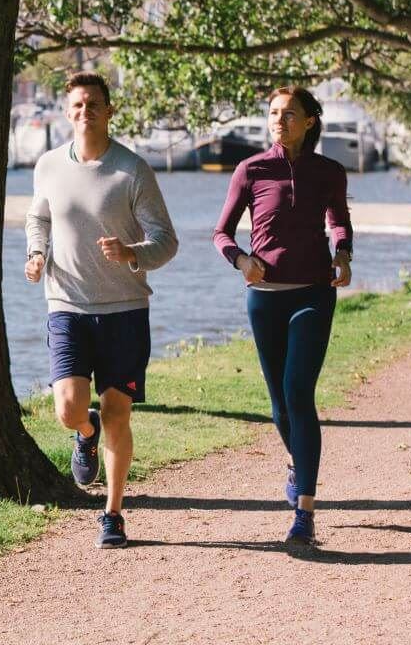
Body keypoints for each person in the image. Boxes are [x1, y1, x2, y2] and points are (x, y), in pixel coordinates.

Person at [25, 72, 179, 549]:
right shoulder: (48, 166)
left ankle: (112, 513)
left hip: (125, 308)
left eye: (94, 103)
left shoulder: (131, 170)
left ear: (109, 111)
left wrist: (132, 252)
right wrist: (36, 252)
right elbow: (39, 216)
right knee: (70, 408)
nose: (85, 111)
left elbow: (166, 242)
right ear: (67, 112)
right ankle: (84, 434)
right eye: (77, 104)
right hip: (66, 303)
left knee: (118, 413)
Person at [212, 86, 353, 545]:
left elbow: (338, 221)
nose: (280, 120)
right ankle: (299, 465)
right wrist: (240, 259)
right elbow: (221, 232)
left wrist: (343, 253)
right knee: (278, 407)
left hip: (313, 292)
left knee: (298, 393)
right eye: (274, 113)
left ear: (310, 120)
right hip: (265, 297)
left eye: (289, 113)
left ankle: (305, 512)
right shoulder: (251, 170)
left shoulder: (329, 171)